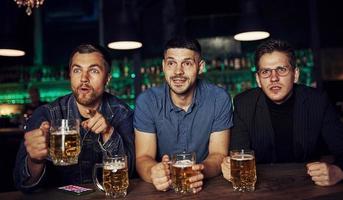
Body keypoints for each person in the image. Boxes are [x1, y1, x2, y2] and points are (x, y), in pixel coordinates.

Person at [14, 44, 135, 192]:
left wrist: (109, 132)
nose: (84, 78)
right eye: (77, 70)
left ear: (107, 79)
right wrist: (35, 160)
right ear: (70, 75)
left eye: (94, 71)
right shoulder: (46, 114)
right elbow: (22, 183)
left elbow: (129, 174)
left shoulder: (122, 113)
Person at [221, 39, 343, 186]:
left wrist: (339, 171)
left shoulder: (318, 101)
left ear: (295, 74)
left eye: (281, 69)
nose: (274, 78)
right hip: (261, 188)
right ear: (258, 79)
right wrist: (231, 168)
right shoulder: (243, 103)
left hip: (309, 185)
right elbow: (239, 155)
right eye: (266, 72)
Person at [134, 37, 233, 193]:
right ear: (163, 66)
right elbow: (143, 157)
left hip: (208, 190)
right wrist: (153, 172)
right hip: (162, 192)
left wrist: (201, 170)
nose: (178, 71)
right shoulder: (147, 101)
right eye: (171, 63)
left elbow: (218, 153)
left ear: (200, 67)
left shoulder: (219, 99)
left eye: (187, 63)